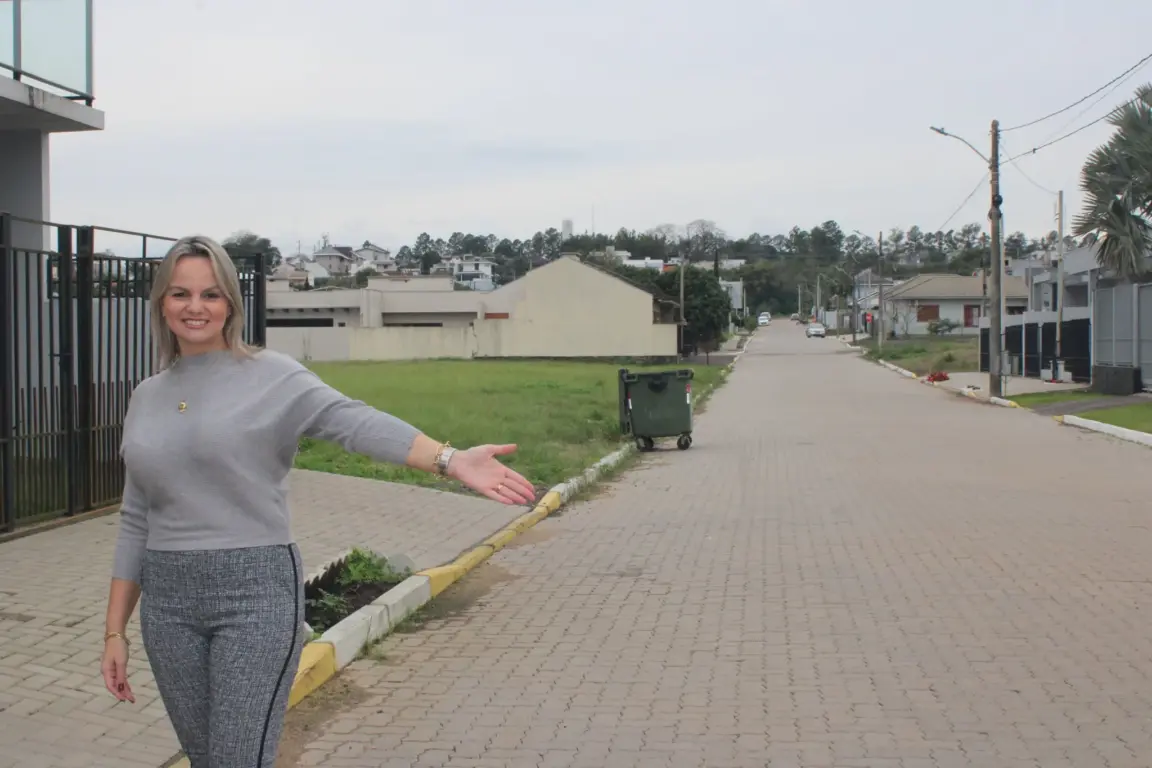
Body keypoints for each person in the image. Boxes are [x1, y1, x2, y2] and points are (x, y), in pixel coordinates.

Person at [100, 235, 535, 767]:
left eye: (211, 294)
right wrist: (114, 631)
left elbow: (354, 422)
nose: (195, 308)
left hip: (253, 595)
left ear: (231, 303)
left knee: (237, 760)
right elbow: (135, 518)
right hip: (168, 605)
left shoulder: (271, 376)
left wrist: (449, 458)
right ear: (161, 302)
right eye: (180, 294)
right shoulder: (146, 396)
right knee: (204, 758)